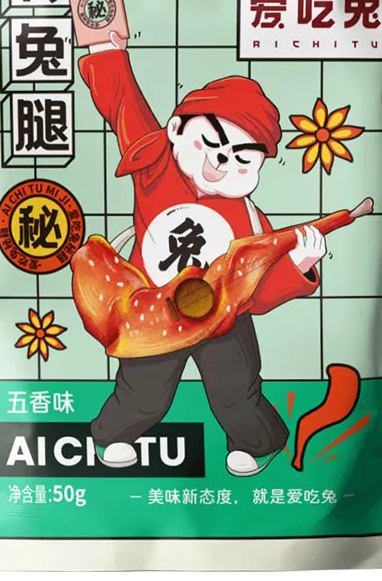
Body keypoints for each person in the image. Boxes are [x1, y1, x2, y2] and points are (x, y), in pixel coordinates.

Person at [77, 30, 327, 477]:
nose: (220, 163)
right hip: (153, 310)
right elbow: (124, 107)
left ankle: (256, 443)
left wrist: (298, 266)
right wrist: (107, 52)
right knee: (143, 392)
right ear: (176, 130)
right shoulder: (156, 166)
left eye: (242, 160)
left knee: (236, 393)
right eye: (210, 145)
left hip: (223, 318)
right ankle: (113, 435)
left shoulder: (251, 220)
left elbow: (259, 296)